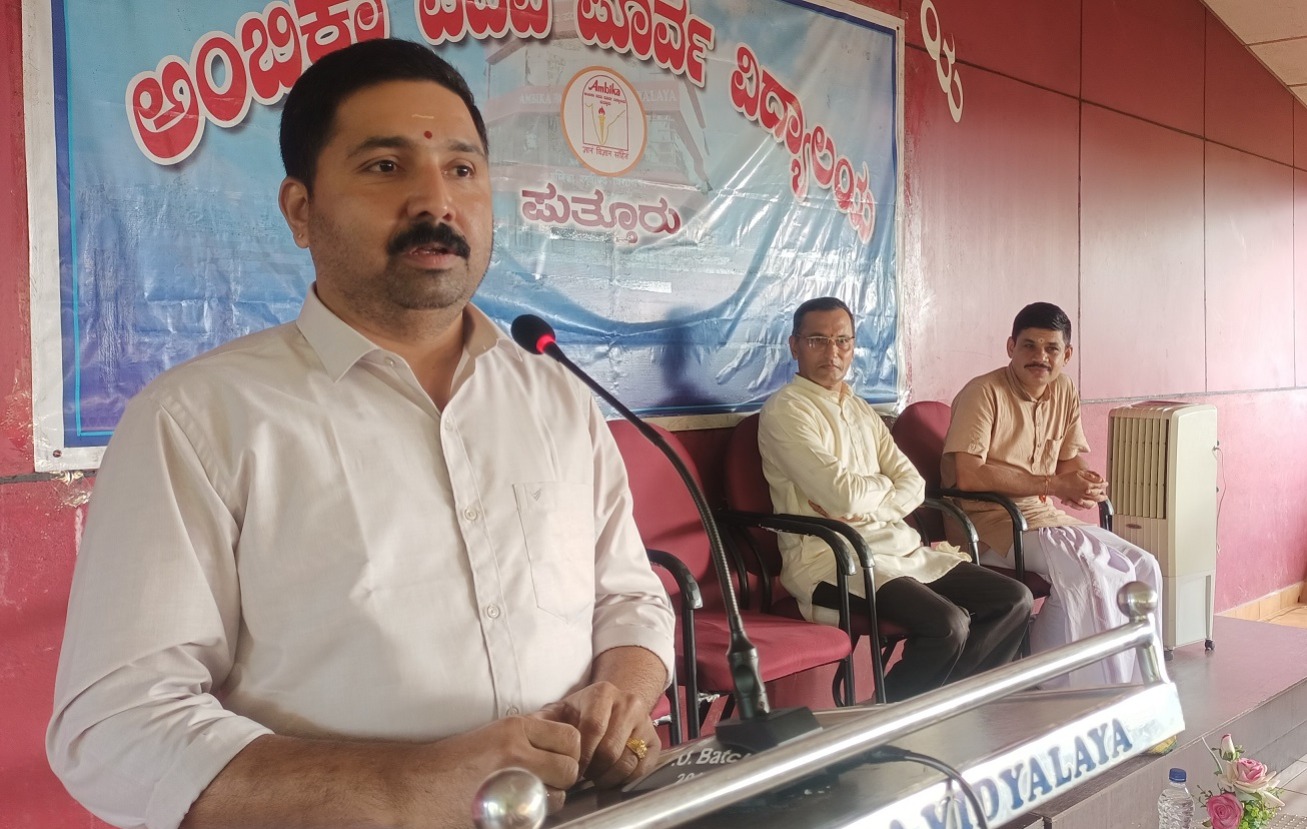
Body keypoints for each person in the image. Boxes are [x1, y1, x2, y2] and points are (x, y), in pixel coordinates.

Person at [47, 39, 675, 829]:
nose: (436, 202)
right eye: (385, 166)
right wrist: (404, 785)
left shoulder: (556, 396)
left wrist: (621, 694)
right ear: (300, 210)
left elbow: (628, 595)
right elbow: (115, 727)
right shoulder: (199, 418)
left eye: (462, 168)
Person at [758, 297, 1033, 703]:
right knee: (947, 625)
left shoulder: (860, 410)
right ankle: (885, 720)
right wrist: (876, 493)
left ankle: (946, 707)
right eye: (817, 340)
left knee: (1014, 600)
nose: (832, 352)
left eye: (842, 341)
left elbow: (912, 485)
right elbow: (843, 495)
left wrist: (864, 500)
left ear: (853, 347)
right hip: (832, 561)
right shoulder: (786, 411)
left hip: (897, 550)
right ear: (794, 345)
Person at [941, 301, 1163, 688]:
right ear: (1011, 347)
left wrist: (1085, 483)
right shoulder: (983, 392)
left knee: (1143, 566)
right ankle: (1064, 681)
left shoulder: (1063, 389)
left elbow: (1067, 460)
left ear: (1067, 354)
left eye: (1051, 348)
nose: (1040, 357)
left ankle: (1137, 683)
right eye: (1029, 345)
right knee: (1087, 572)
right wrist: (1054, 486)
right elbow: (969, 474)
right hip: (990, 525)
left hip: (1044, 518)